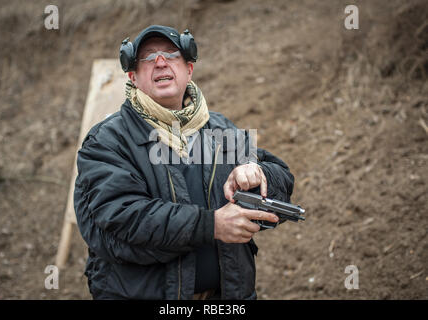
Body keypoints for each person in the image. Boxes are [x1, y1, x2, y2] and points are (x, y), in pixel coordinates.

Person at [74, 25, 294, 300]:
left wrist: (258, 174)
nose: (161, 62)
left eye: (171, 54)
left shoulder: (220, 128)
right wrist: (211, 225)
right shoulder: (107, 141)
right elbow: (124, 217)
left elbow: (282, 183)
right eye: (148, 57)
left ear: (189, 69)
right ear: (132, 77)